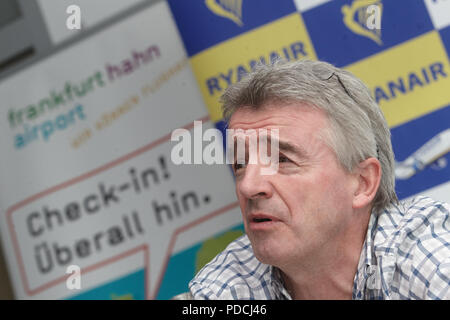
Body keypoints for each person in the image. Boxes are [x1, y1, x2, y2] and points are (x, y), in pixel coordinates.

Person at [188, 59, 450, 300]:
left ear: (362, 183)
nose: (248, 186)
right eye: (240, 164)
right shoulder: (229, 283)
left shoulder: (427, 259)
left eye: (282, 159)